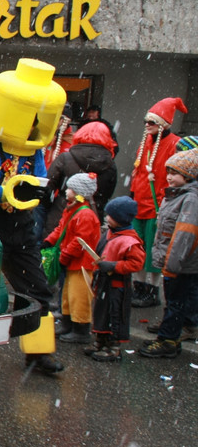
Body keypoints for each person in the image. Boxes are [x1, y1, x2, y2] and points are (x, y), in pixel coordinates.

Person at [0, 58, 65, 376]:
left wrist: (37, 192)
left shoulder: (34, 151)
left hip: (22, 229)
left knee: (39, 292)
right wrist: (4, 191)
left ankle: (39, 354)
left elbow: (39, 181)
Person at [138, 148, 198, 358]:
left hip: (180, 263)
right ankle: (171, 331)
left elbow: (184, 236)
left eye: (175, 173)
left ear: (188, 176)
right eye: (168, 172)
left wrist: (172, 265)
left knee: (175, 302)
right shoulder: (177, 195)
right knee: (177, 300)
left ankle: (168, 340)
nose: (169, 177)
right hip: (177, 262)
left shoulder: (190, 199)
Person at [129, 97, 186, 308]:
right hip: (139, 205)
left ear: (163, 124)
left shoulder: (175, 144)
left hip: (158, 207)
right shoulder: (145, 144)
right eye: (146, 121)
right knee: (137, 248)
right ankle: (139, 286)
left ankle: (152, 290)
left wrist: (166, 203)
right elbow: (138, 174)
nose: (147, 125)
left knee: (155, 250)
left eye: (152, 122)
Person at [43, 173, 101, 344]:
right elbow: (61, 229)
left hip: (82, 264)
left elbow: (79, 242)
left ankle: (81, 329)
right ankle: (68, 323)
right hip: (73, 262)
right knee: (68, 295)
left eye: (70, 189)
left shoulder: (85, 215)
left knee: (79, 297)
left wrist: (64, 257)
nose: (66, 191)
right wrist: (49, 241)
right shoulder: (72, 209)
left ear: (78, 193)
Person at [87, 196, 144, 362]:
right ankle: (100, 341)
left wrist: (113, 266)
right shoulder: (109, 233)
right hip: (104, 282)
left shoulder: (130, 241)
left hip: (117, 286)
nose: (107, 218)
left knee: (115, 315)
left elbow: (136, 264)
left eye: (110, 215)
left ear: (120, 218)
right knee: (101, 313)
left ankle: (113, 348)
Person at [42, 121, 118, 238]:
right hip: (90, 221)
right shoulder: (111, 166)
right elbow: (106, 196)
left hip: (60, 217)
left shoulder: (66, 158)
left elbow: (48, 188)